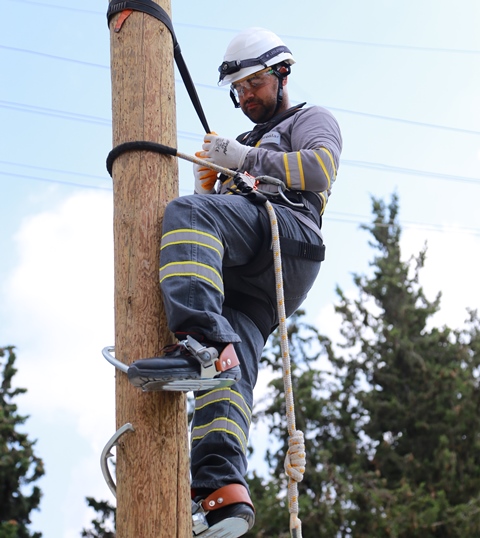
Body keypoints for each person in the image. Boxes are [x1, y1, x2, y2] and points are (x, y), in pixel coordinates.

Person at [127, 27, 342, 538]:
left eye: (255, 84)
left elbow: (317, 169)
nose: (246, 97)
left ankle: (199, 340)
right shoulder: (242, 142)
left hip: (286, 237)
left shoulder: (311, 119)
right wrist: (217, 179)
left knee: (190, 214)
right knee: (230, 371)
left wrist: (239, 164)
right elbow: (211, 225)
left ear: (282, 74)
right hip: (251, 275)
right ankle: (222, 495)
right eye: (238, 90)